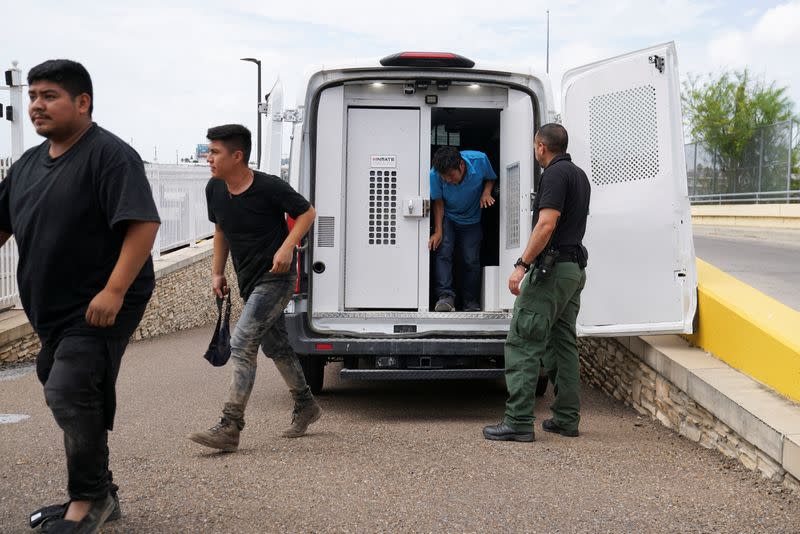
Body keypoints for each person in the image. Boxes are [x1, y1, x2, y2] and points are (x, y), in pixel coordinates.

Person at [0, 59, 161, 532]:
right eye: (32, 96)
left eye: (48, 95)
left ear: (82, 102)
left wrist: (114, 290)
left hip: (102, 299)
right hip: (53, 307)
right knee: (62, 378)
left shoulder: (109, 155)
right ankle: (101, 489)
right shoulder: (29, 163)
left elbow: (143, 223)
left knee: (71, 387)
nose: (35, 106)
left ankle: (88, 500)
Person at [188, 124, 319, 452]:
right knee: (276, 347)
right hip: (249, 280)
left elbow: (307, 212)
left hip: (277, 278)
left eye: (214, 152)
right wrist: (217, 273)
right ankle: (307, 406)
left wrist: (288, 246)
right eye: (208, 152)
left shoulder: (269, 187)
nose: (208, 158)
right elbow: (221, 230)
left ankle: (230, 425)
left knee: (243, 341)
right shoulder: (214, 189)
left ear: (237, 156)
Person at [483, 123, 590, 442]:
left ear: (541, 146)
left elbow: (546, 224)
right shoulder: (579, 175)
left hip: (552, 271)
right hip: (573, 270)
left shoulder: (554, 175)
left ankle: (517, 421)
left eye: (534, 146)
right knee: (562, 343)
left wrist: (521, 265)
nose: (534, 151)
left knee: (523, 340)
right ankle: (567, 418)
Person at [428, 146, 497, 312]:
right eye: (444, 178)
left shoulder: (479, 160)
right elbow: (438, 201)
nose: (448, 180)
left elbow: (491, 178)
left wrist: (486, 192)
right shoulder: (434, 174)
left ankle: (470, 302)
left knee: (470, 260)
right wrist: (438, 231)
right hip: (448, 218)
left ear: (461, 165)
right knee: (443, 252)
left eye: (451, 176)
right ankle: (445, 297)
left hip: (472, 219)